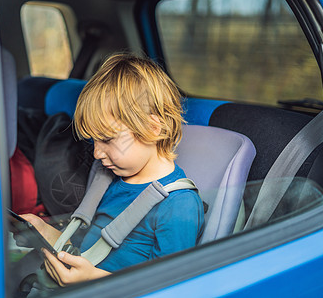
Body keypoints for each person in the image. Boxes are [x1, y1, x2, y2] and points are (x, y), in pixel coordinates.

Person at [18, 53, 205, 287]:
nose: (97, 153)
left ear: (153, 128)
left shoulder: (178, 205)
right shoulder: (112, 176)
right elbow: (89, 248)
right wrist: (46, 232)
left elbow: (169, 288)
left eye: (107, 140)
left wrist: (90, 280)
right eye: (93, 141)